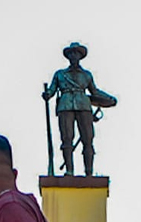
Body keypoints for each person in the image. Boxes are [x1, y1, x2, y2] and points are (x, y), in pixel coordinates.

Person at [43, 42, 105, 176]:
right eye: (71, 53)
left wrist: (109, 98)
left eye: (76, 53)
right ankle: (69, 170)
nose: (73, 56)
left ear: (80, 56)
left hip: (83, 105)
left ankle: (89, 172)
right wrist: (47, 94)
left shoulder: (87, 75)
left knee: (88, 139)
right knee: (67, 139)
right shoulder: (60, 74)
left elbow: (95, 92)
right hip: (65, 105)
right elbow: (52, 89)